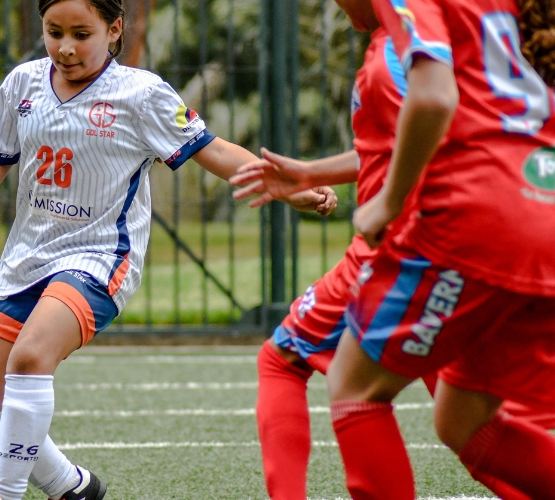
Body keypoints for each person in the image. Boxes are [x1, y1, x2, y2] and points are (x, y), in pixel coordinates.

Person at [0, 1, 336, 499]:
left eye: (82, 33)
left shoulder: (141, 94)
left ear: (115, 28)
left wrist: (290, 186)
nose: (65, 46)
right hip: (27, 257)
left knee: (32, 356)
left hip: (99, 257)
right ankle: (70, 486)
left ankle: (4, 493)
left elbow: (215, 150)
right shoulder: (23, 83)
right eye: (54, 32)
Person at [230, 5, 555, 497]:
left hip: (452, 226)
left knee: (351, 387)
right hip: (534, 209)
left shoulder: (408, 29)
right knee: (463, 422)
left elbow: (433, 101)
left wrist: (388, 202)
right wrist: (315, 173)